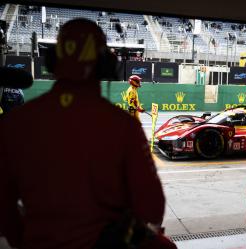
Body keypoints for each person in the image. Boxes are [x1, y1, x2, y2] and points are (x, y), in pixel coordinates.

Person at [0, 18, 166, 249]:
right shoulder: (124, 127)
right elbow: (152, 209)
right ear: (105, 65)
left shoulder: (14, 123)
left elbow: (3, 207)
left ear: (53, 61)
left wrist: (29, 240)